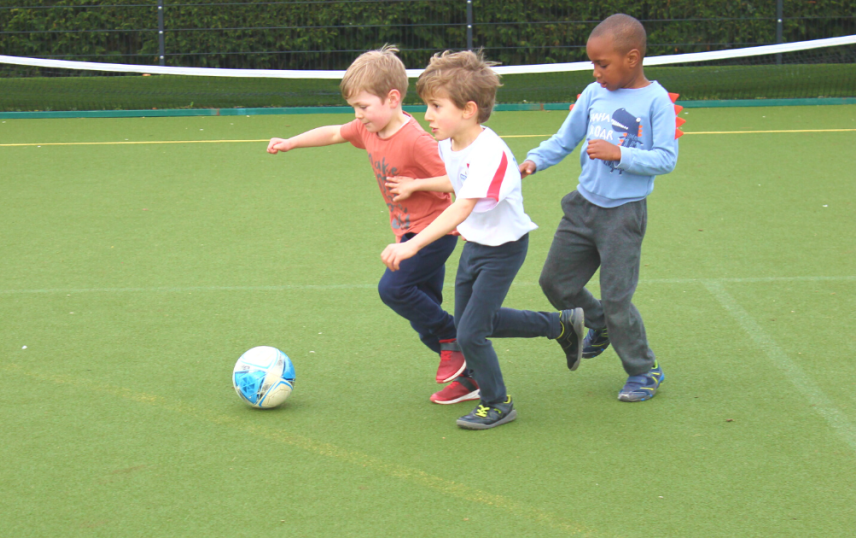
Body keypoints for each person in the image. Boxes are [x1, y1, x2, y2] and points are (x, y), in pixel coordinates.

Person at [382, 50, 584, 430]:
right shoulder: (451, 142)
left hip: (503, 250)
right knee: (472, 325)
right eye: (427, 105)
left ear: (468, 110)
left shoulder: (489, 153)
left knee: (472, 332)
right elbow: (458, 181)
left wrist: (412, 245)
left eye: (436, 106)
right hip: (476, 245)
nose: (427, 115)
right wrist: (420, 184)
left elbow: (460, 206)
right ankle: (560, 325)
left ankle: (497, 403)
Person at [267, 45, 472, 403]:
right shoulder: (368, 131)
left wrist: (416, 184)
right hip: (405, 232)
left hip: (433, 233)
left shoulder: (416, 140)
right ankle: (470, 378)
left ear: (393, 98)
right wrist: (290, 143)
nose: (358, 116)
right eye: (354, 109)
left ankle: (453, 335)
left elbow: (461, 181)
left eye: (363, 107)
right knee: (422, 314)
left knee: (394, 290)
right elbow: (333, 133)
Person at [520, 14, 679, 402]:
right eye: (593, 63)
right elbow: (564, 138)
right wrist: (533, 161)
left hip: (622, 216)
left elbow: (665, 159)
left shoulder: (656, 100)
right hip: (581, 209)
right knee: (555, 283)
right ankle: (600, 325)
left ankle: (644, 370)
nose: (596, 72)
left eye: (602, 64)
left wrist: (619, 153)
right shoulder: (594, 94)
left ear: (632, 58)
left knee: (617, 299)